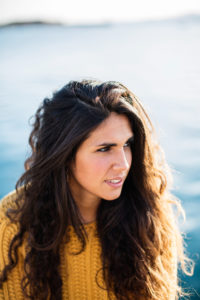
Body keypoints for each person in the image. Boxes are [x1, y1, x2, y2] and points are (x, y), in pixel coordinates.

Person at [0, 80, 193, 300]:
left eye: (127, 144)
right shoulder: (11, 223)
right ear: (64, 154)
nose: (123, 163)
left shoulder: (149, 214)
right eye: (104, 149)